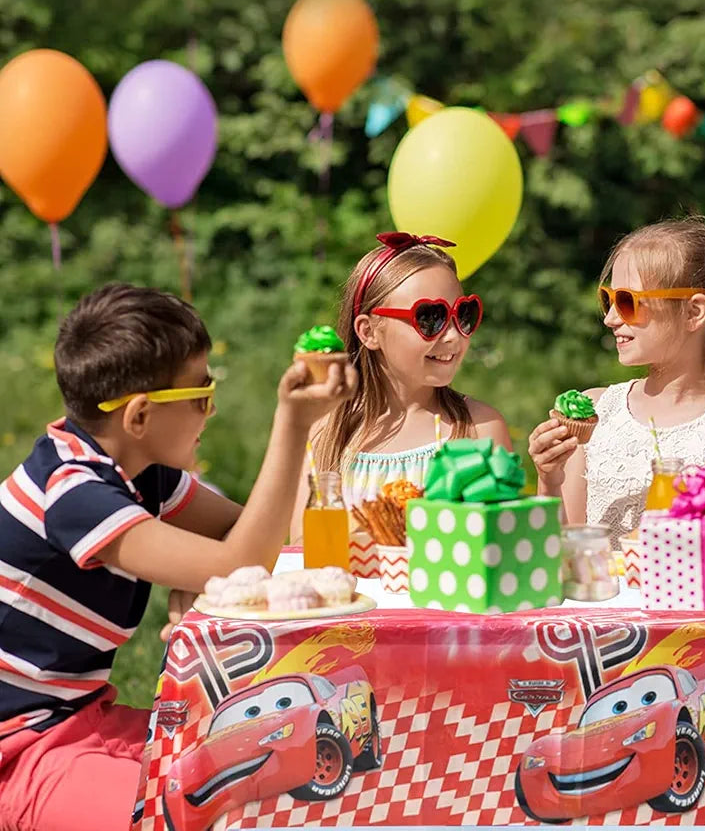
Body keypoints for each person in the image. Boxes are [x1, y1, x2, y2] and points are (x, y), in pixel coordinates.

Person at [0, 283, 357, 831]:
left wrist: (192, 583)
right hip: (20, 751)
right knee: (179, 816)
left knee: (256, 783)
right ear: (139, 417)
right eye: (200, 396)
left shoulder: (141, 475)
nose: (210, 411)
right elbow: (244, 558)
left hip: (79, 718)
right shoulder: (73, 495)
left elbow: (247, 534)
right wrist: (293, 425)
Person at [528, 218, 705, 547]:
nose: (610, 318)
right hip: (597, 597)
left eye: (627, 302)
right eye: (609, 299)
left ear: (694, 312)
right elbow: (560, 553)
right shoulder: (594, 411)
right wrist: (549, 479)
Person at [289, 232, 511, 542]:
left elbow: (501, 545)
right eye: (431, 318)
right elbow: (303, 548)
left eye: (463, 314)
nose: (453, 336)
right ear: (368, 332)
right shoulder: (322, 432)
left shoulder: (480, 430)